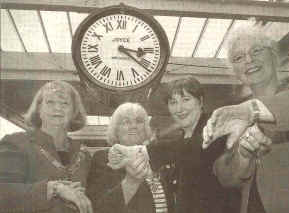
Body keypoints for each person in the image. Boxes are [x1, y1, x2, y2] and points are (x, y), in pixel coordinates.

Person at [107, 77, 272, 213]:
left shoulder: (215, 124)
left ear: (200, 101)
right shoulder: (182, 136)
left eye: (186, 100)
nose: (179, 109)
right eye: (173, 102)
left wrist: (143, 151)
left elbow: (198, 148)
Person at [203, 23, 289, 213]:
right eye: (239, 57)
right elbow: (225, 176)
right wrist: (243, 156)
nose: (249, 59)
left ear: (273, 56)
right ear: (236, 72)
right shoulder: (230, 117)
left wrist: (251, 110)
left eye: (256, 51)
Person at [0, 81, 93, 213]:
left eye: (65, 103)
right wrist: (54, 189)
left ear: (74, 112)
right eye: (50, 102)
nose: (57, 108)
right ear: (39, 109)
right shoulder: (16, 143)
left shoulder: (84, 155)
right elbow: (3, 193)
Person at [86, 103, 175, 213]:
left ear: (146, 128)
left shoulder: (154, 156)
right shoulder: (104, 158)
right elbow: (100, 207)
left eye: (139, 121)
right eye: (126, 122)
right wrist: (132, 181)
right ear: (116, 130)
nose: (134, 126)